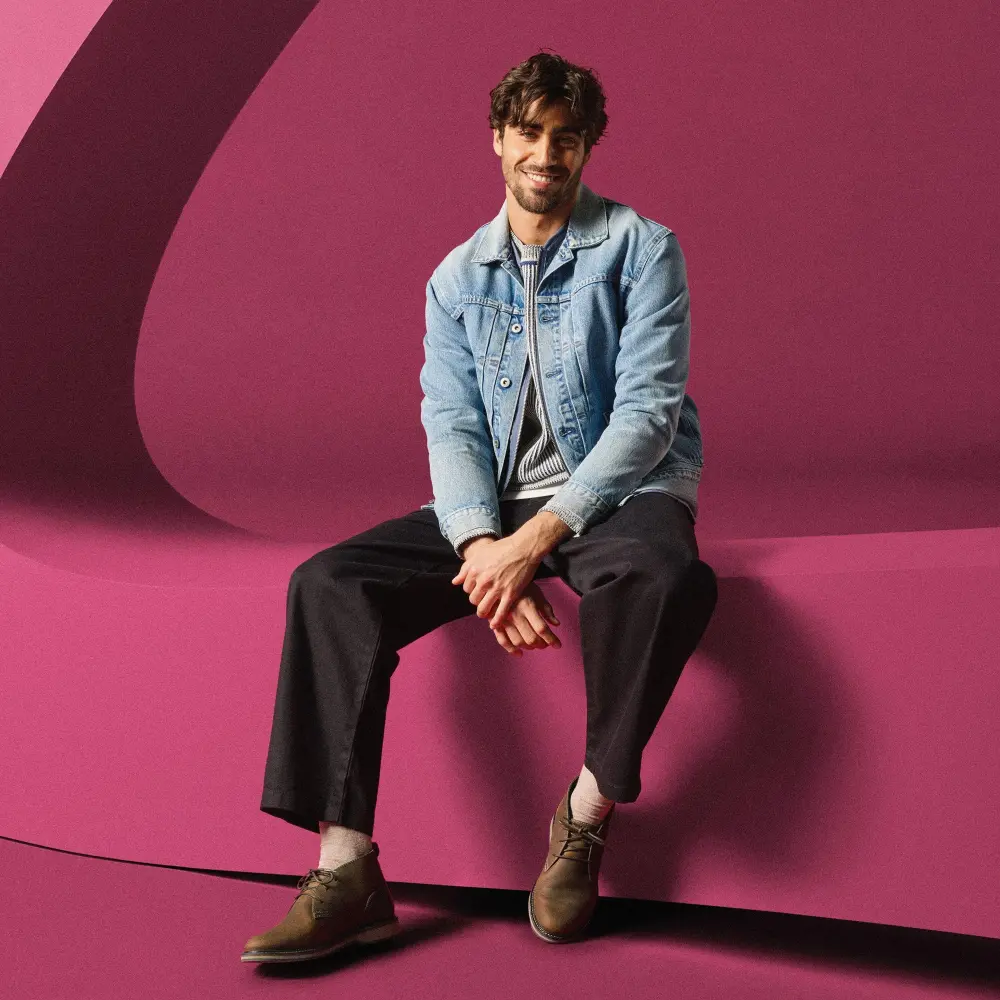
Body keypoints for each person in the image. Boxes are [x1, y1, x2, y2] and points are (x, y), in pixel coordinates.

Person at [241, 50, 718, 964]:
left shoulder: (641, 248)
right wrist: (482, 547)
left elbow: (647, 416)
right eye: (530, 133)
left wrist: (534, 541)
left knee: (666, 575)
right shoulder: (457, 279)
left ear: (588, 147)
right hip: (493, 501)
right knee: (329, 583)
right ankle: (346, 868)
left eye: (566, 137)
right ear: (499, 138)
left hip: (620, 489)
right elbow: (453, 423)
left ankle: (584, 815)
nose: (547, 154)